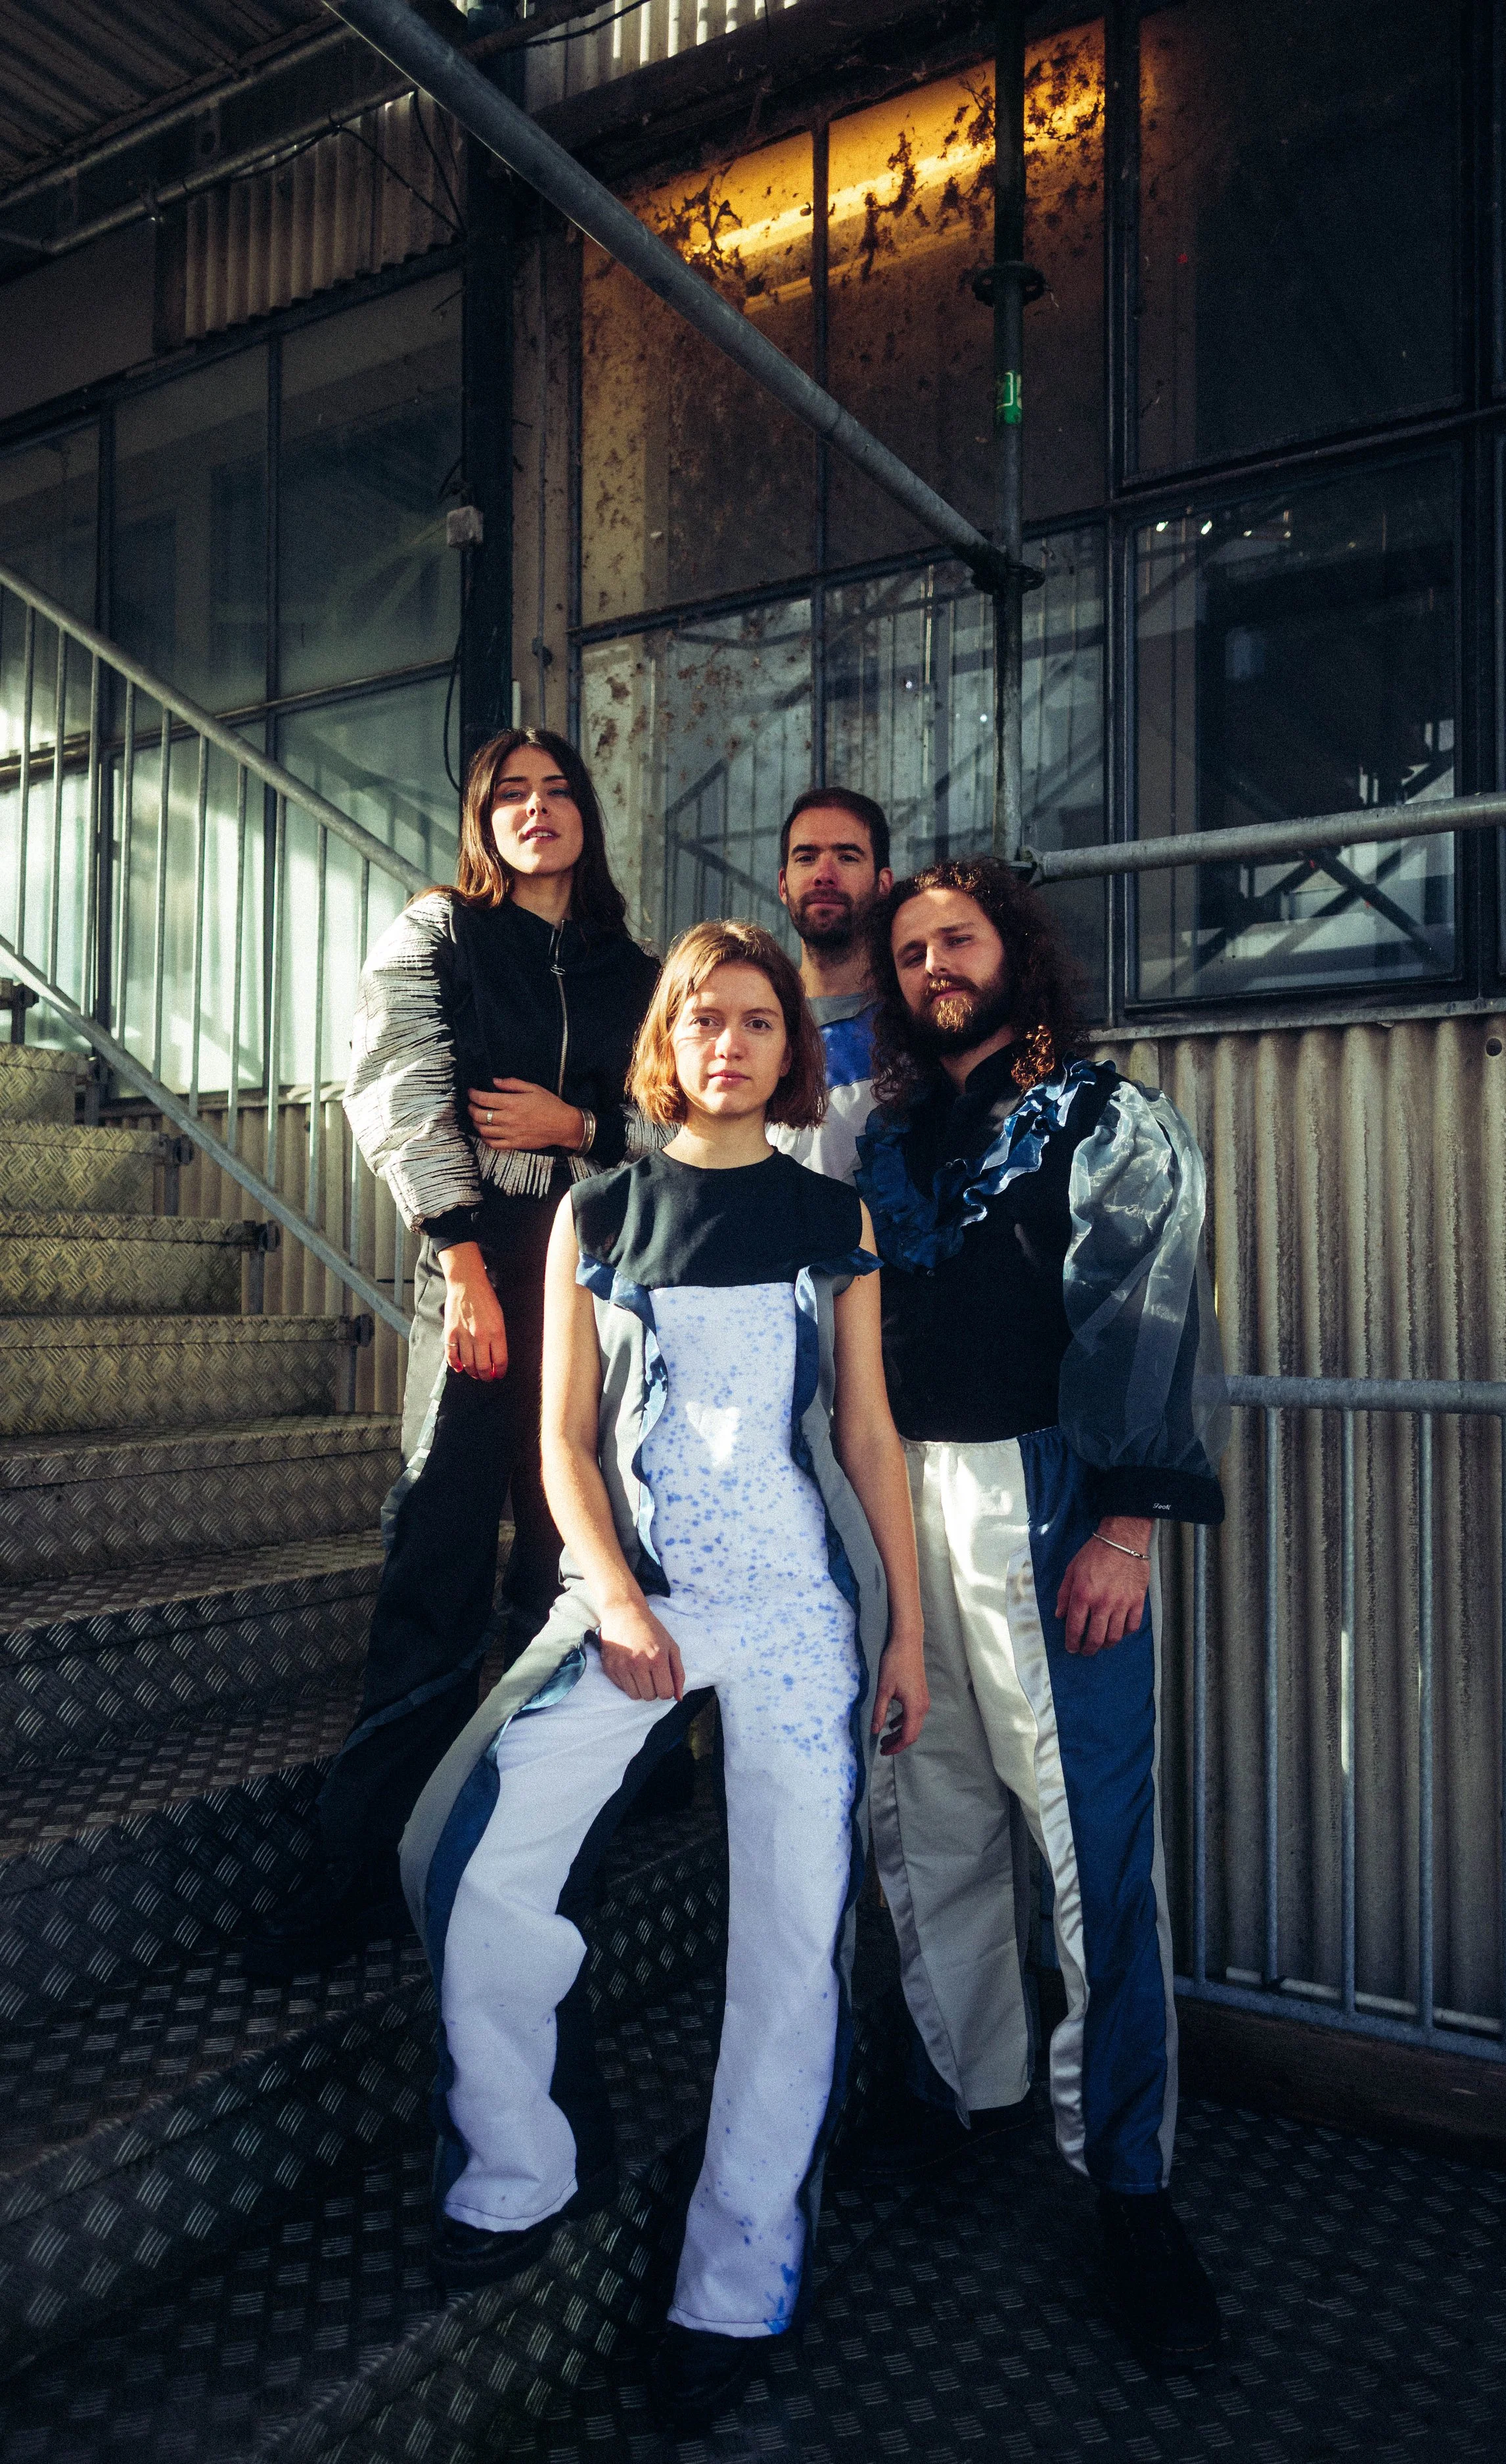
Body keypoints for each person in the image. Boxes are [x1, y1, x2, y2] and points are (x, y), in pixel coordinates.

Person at [398, 919, 928, 2434]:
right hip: (637, 1600)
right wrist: (616, 1595)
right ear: (669, 1042)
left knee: (788, 1949)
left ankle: (736, 2279)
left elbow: (871, 1438)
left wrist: (909, 1633)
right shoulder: (599, 1213)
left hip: (797, 1614)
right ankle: (519, 2161)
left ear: (789, 1048)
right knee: (465, 1856)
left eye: (757, 1018)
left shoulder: (838, 1222)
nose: (729, 1040)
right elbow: (560, 1441)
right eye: (704, 1016)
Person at [853, 856, 1229, 2369]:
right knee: (928, 1814)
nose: (939, 960)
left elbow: (1151, 1303)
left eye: (961, 934)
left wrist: (1127, 1522)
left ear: (1016, 952)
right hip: (898, 1510)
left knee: (1092, 1857)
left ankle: (1131, 2190)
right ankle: (965, 2097)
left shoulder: (1103, 1115)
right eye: (915, 947)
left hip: (1052, 1500)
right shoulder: (885, 1136)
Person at [246, 729, 661, 1978]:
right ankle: (365, 1865)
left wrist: (580, 1122)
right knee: (437, 1548)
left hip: (607, 1277)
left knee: (574, 1555)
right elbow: (396, 1082)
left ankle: (546, 1839)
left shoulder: (639, 970)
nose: (537, 811)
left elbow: (688, 1116)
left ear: (588, 816)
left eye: (557, 793)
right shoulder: (437, 932)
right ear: (481, 824)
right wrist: (464, 1262)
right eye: (509, 797)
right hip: (484, 1266)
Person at [769, 786, 892, 1180]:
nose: (825, 875)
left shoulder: (916, 1024)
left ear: (884, 883)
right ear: (784, 884)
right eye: (807, 857)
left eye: (847, 856)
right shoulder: (751, 1024)